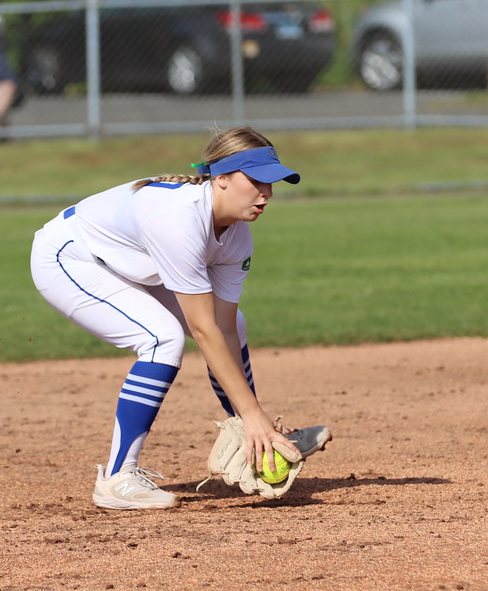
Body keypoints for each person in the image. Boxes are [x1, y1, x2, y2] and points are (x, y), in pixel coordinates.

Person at [29, 126, 330, 510]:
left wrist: (256, 422)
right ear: (221, 179)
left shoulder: (237, 235)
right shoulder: (178, 219)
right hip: (70, 258)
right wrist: (254, 413)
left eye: (273, 183)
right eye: (256, 181)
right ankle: (117, 477)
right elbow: (202, 331)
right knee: (162, 338)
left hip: (131, 264)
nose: (266, 193)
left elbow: (221, 327)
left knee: (233, 328)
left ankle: (258, 437)